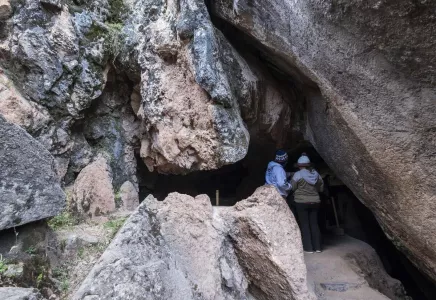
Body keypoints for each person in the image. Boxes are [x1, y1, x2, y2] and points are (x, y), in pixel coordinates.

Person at [291, 153, 324, 253]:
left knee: (305, 224)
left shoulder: (297, 175)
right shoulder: (316, 174)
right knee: (314, 224)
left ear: (299, 165)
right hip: (315, 201)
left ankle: (309, 248)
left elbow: (293, 187)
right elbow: (321, 187)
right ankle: (318, 247)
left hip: (301, 202)